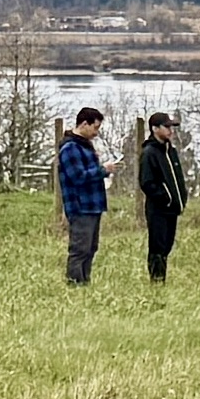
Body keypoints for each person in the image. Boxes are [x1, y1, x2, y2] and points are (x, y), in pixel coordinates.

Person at [58, 106, 116, 285]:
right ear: (84, 124)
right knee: (80, 248)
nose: (96, 133)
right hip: (80, 205)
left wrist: (103, 172)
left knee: (91, 247)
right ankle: (74, 283)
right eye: (95, 128)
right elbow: (78, 177)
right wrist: (102, 170)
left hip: (93, 205)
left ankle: (85, 281)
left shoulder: (85, 147)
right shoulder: (70, 149)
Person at [138, 111, 188, 282]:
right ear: (154, 128)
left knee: (167, 246)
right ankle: (156, 281)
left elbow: (177, 178)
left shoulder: (170, 151)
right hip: (158, 209)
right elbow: (147, 182)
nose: (170, 130)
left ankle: (162, 278)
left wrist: (181, 198)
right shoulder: (149, 152)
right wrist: (166, 198)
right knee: (157, 247)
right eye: (166, 127)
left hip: (172, 209)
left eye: (171, 127)